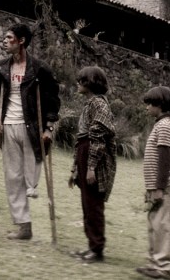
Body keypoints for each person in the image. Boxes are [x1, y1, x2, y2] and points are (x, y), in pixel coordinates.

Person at [0, 23, 61, 240]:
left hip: (31, 126)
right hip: (8, 125)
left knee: (34, 162)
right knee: (12, 176)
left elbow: (52, 100)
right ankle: (23, 226)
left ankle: (32, 186)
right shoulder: (0, 69)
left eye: (9, 38)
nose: (4, 41)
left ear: (21, 41)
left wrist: (49, 128)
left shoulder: (40, 69)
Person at [67, 66, 117, 263]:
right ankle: (91, 246)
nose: (78, 84)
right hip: (84, 151)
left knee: (94, 204)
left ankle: (97, 249)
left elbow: (98, 138)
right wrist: (75, 168)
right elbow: (81, 138)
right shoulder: (89, 104)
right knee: (87, 204)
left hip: (93, 155)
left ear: (91, 83)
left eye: (82, 80)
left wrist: (90, 167)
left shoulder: (99, 104)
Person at [136, 86, 170, 279]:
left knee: (163, 225)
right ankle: (155, 262)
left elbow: (164, 160)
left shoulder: (165, 126)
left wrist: (160, 188)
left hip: (162, 186)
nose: (146, 107)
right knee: (154, 224)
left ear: (159, 105)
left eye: (149, 104)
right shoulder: (160, 124)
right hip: (154, 185)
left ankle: (165, 267)